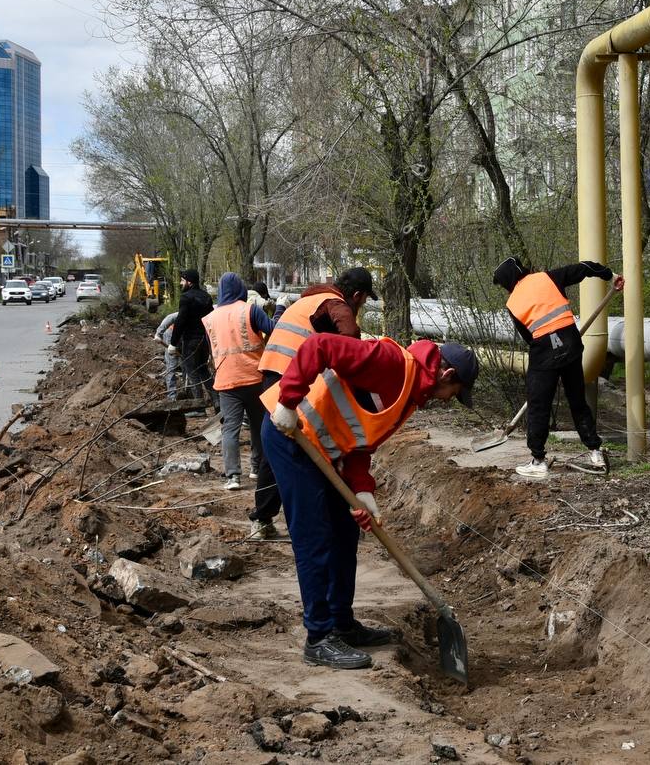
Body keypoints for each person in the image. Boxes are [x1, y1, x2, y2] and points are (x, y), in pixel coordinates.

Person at [263, 333, 479, 670]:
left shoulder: (410, 393)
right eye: (455, 394)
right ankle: (318, 638)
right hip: (292, 436)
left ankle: (341, 623)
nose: (450, 400)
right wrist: (288, 401)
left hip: (325, 451)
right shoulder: (390, 363)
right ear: (447, 375)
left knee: (346, 534)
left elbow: (362, 438)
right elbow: (318, 346)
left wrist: (362, 488)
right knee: (315, 538)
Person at [246, 266, 378, 539]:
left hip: (274, 372)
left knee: (278, 447)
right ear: (356, 295)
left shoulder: (309, 299)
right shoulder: (335, 303)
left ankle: (263, 518)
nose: (361, 306)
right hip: (289, 377)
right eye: (363, 301)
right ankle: (316, 519)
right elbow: (349, 335)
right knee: (301, 445)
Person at [492, 257, 625, 479]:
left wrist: (550, 344)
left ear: (508, 283)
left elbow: (528, 337)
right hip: (571, 346)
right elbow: (584, 268)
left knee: (538, 406)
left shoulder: (512, 303)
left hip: (544, 353)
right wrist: (610, 276)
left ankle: (538, 461)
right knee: (577, 401)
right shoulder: (548, 277)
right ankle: (594, 452)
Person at [202, 272, 282, 493]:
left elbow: (212, 350)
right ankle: (256, 469)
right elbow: (273, 330)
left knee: (230, 429)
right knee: (258, 427)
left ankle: (233, 476)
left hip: (226, 381)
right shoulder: (249, 310)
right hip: (255, 378)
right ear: (241, 290)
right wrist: (281, 309)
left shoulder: (210, 318)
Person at [171, 269, 217, 411]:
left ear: (189, 282)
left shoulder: (186, 297)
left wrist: (173, 343)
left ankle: (198, 408)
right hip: (204, 340)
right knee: (204, 370)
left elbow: (180, 321)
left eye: (182, 280)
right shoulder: (207, 297)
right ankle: (218, 402)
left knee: (192, 372)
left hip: (190, 341)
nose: (180, 283)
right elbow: (211, 320)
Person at [154, 311, 180, 401]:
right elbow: (169, 317)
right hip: (171, 334)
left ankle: (188, 392)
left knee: (187, 366)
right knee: (171, 365)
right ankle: (171, 397)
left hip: (186, 337)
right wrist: (158, 334)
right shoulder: (185, 312)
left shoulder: (203, 314)